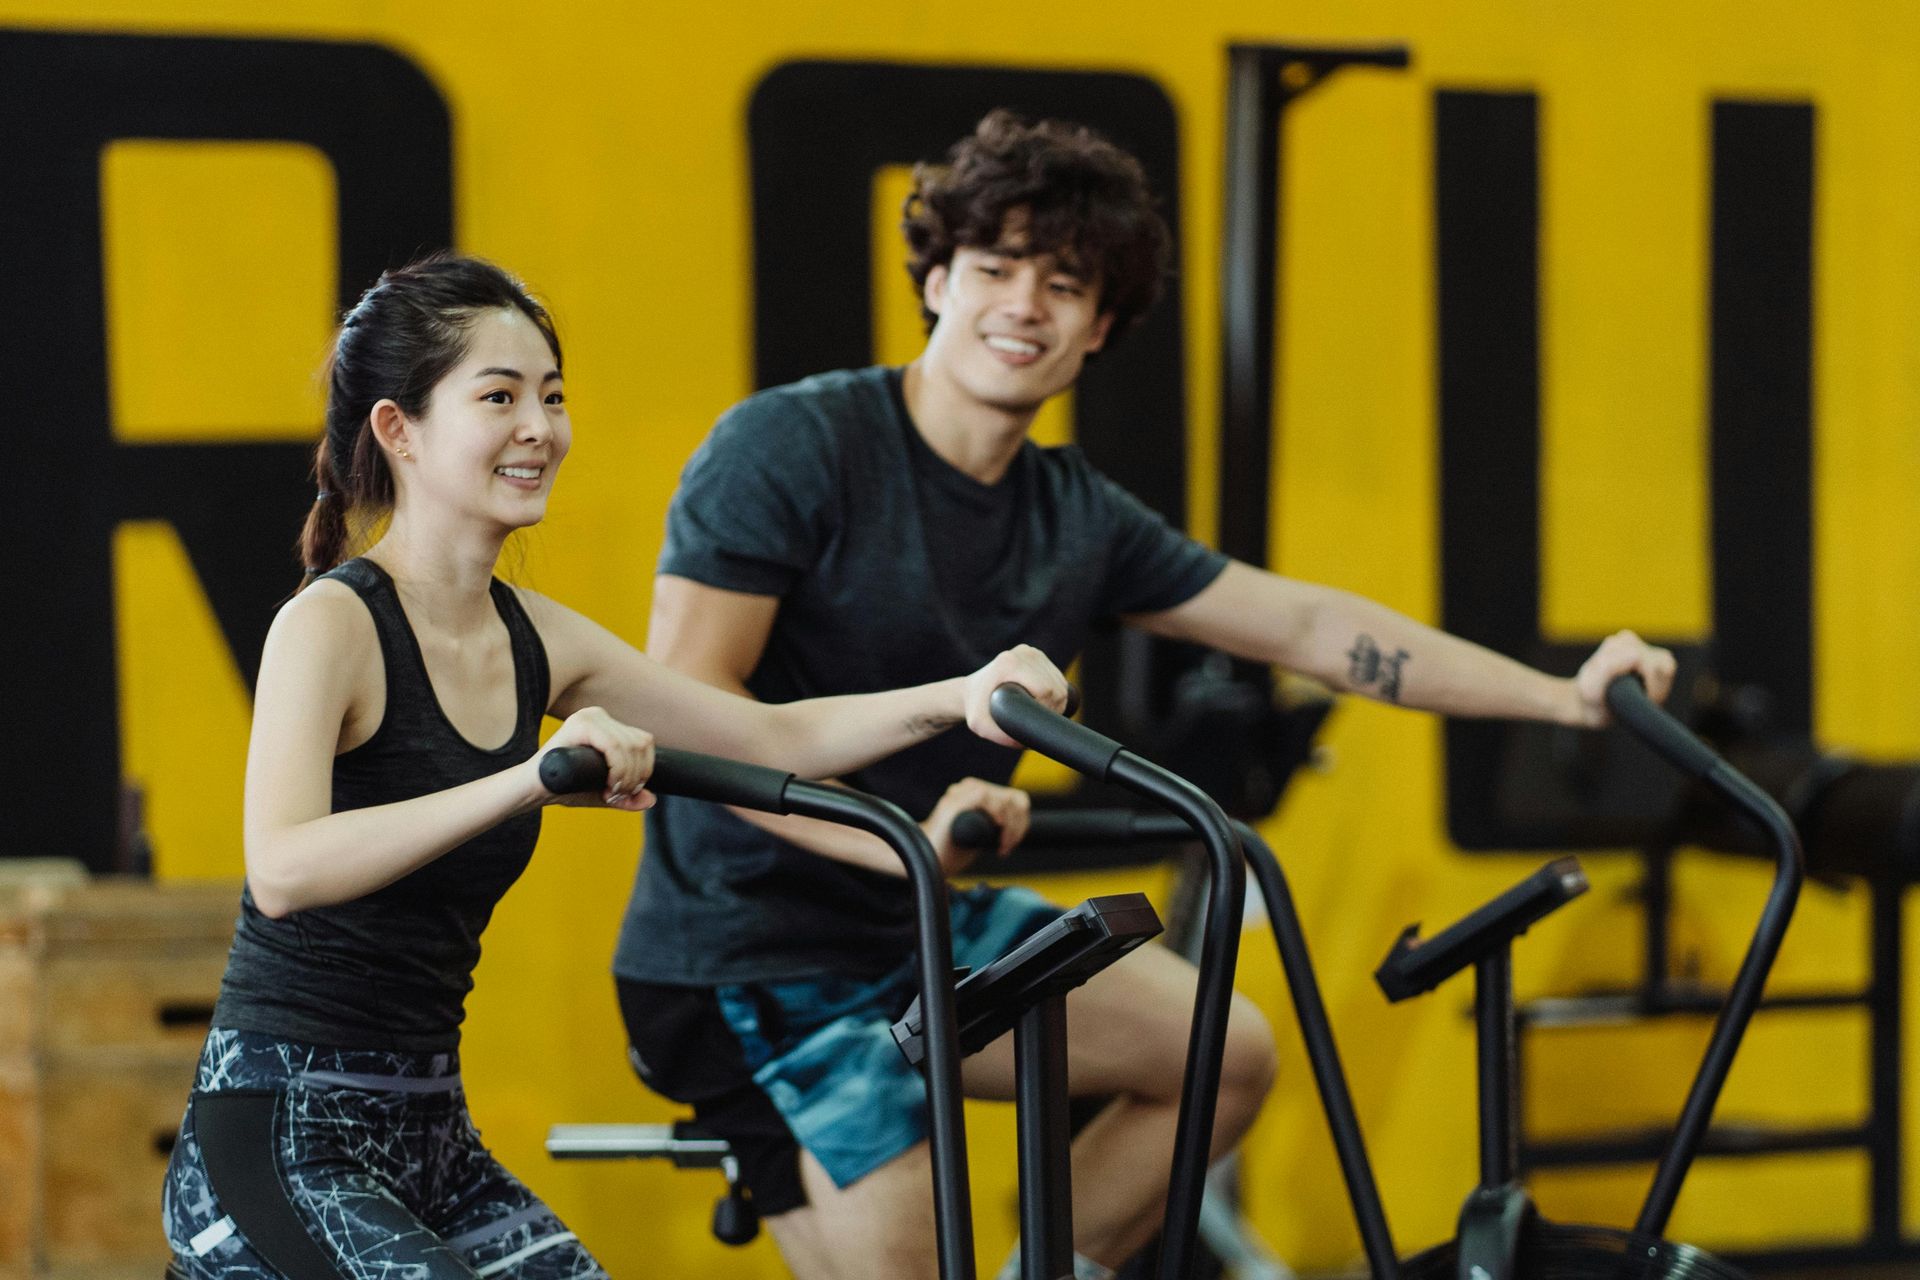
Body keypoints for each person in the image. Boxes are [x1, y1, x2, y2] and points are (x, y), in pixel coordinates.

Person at [613, 111, 1678, 1280]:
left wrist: (1567, 699)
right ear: (935, 282)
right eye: (993, 269)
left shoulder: (1075, 515)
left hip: (914, 924)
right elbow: (684, 705)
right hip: (740, 954)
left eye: (1063, 284)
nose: (1023, 304)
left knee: (1226, 1049)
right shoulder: (793, 446)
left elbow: (1311, 626)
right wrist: (896, 848)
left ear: (1099, 326)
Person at [158, 253, 1070, 1280]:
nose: (539, 427)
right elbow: (283, 866)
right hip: (279, 1133)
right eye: (498, 396)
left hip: (425, 1128)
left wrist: (958, 693)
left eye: (551, 395)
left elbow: (769, 738)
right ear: (397, 429)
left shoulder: (539, 637)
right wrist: (534, 774)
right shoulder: (330, 622)